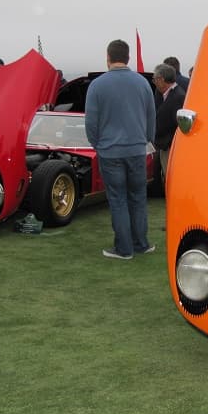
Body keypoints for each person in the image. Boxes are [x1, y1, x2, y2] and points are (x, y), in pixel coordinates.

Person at [85, 39, 156, 259]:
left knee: (118, 200)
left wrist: (97, 144)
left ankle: (124, 249)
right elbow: (150, 116)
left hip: (110, 151)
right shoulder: (143, 83)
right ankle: (141, 244)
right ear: (128, 58)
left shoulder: (97, 85)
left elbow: (91, 123)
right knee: (138, 197)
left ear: (108, 57)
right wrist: (145, 140)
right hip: (136, 150)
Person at [152, 63, 186, 182]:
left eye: (155, 79)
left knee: (172, 178)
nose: (154, 82)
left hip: (171, 146)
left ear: (161, 79)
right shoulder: (167, 95)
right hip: (165, 145)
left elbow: (177, 125)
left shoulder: (178, 96)